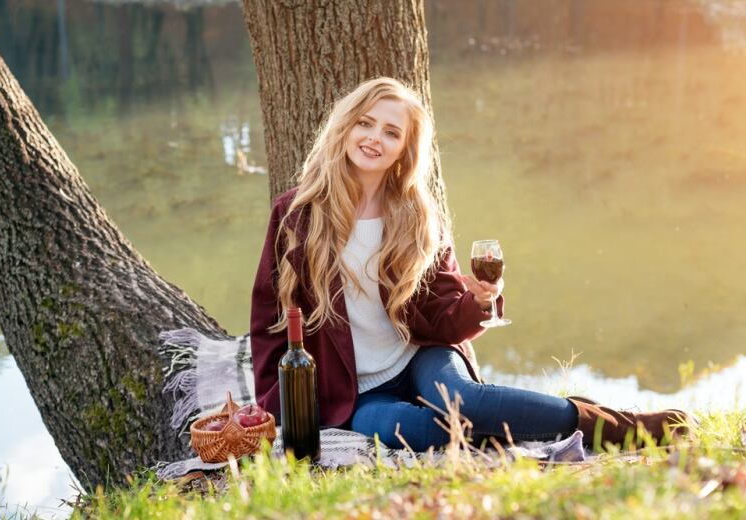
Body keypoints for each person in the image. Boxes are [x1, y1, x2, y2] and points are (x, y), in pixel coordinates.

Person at [250, 77, 689, 451]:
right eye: (365, 124)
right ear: (345, 128)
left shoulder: (414, 215)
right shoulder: (297, 215)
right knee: (421, 431)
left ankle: (618, 427)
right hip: (354, 394)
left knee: (466, 402)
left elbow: (442, 311)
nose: (373, 138)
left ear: (404, 149)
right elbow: (268, 321)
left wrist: (477, 302)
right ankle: (536, 420)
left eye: (390, 132)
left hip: (419, 354)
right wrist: (275, 407)